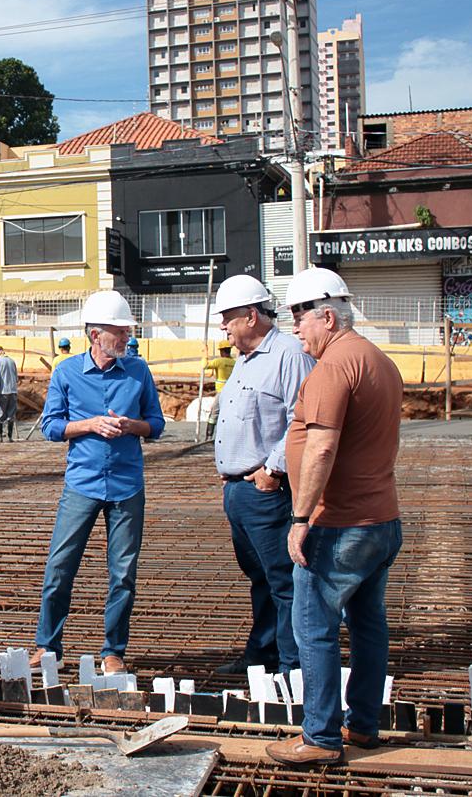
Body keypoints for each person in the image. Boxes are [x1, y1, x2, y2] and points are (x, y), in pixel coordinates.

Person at [266, 268, 404, 767]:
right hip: (380, 520)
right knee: (368, 625)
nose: (295, 328)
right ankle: (363, 724)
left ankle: (321, 736)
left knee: (313, 627)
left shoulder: (333, 367)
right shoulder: (379, 361)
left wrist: (301, 517)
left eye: (299, 317)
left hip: (339, 523)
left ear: (326, 316)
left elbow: (321, 447)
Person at [31, 290, 165, 676]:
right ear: (95, 335)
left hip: (127, 485)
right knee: (60, 566)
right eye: (119, 332)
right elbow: (51, 427)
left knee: (123, 573)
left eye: (126, 331)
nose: (126, 338)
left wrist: (132, 426)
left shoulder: (138, 372)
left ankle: (113, 651)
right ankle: (48, 646)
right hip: (82, 484)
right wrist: (89, 425)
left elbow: (156, 424)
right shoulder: (66, 372)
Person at [207, 275, 314, 677]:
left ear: (251, 316)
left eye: (228, 317)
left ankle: (292, 669)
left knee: (284, 581)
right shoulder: (246, 359)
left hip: (268, 491)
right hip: (240, 491)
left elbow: (302, 419)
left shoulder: (289, 355)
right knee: (261, 579)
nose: (223, 326)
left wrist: (272, 469)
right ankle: (263, 655)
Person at [203, 339, 237, 442]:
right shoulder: (234, 362)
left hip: (222, 392)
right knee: (228, 414)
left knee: (214, 413)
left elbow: (205, 366)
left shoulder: (219, 361)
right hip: (232, 391)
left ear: (222, 351)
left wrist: (205, 354)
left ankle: (209, 437)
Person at [0, 345, 18, 442]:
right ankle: (10, 437)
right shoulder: (12, 361)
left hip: (3, 392)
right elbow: (16, 378)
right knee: (11, 415)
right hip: (13, 391)